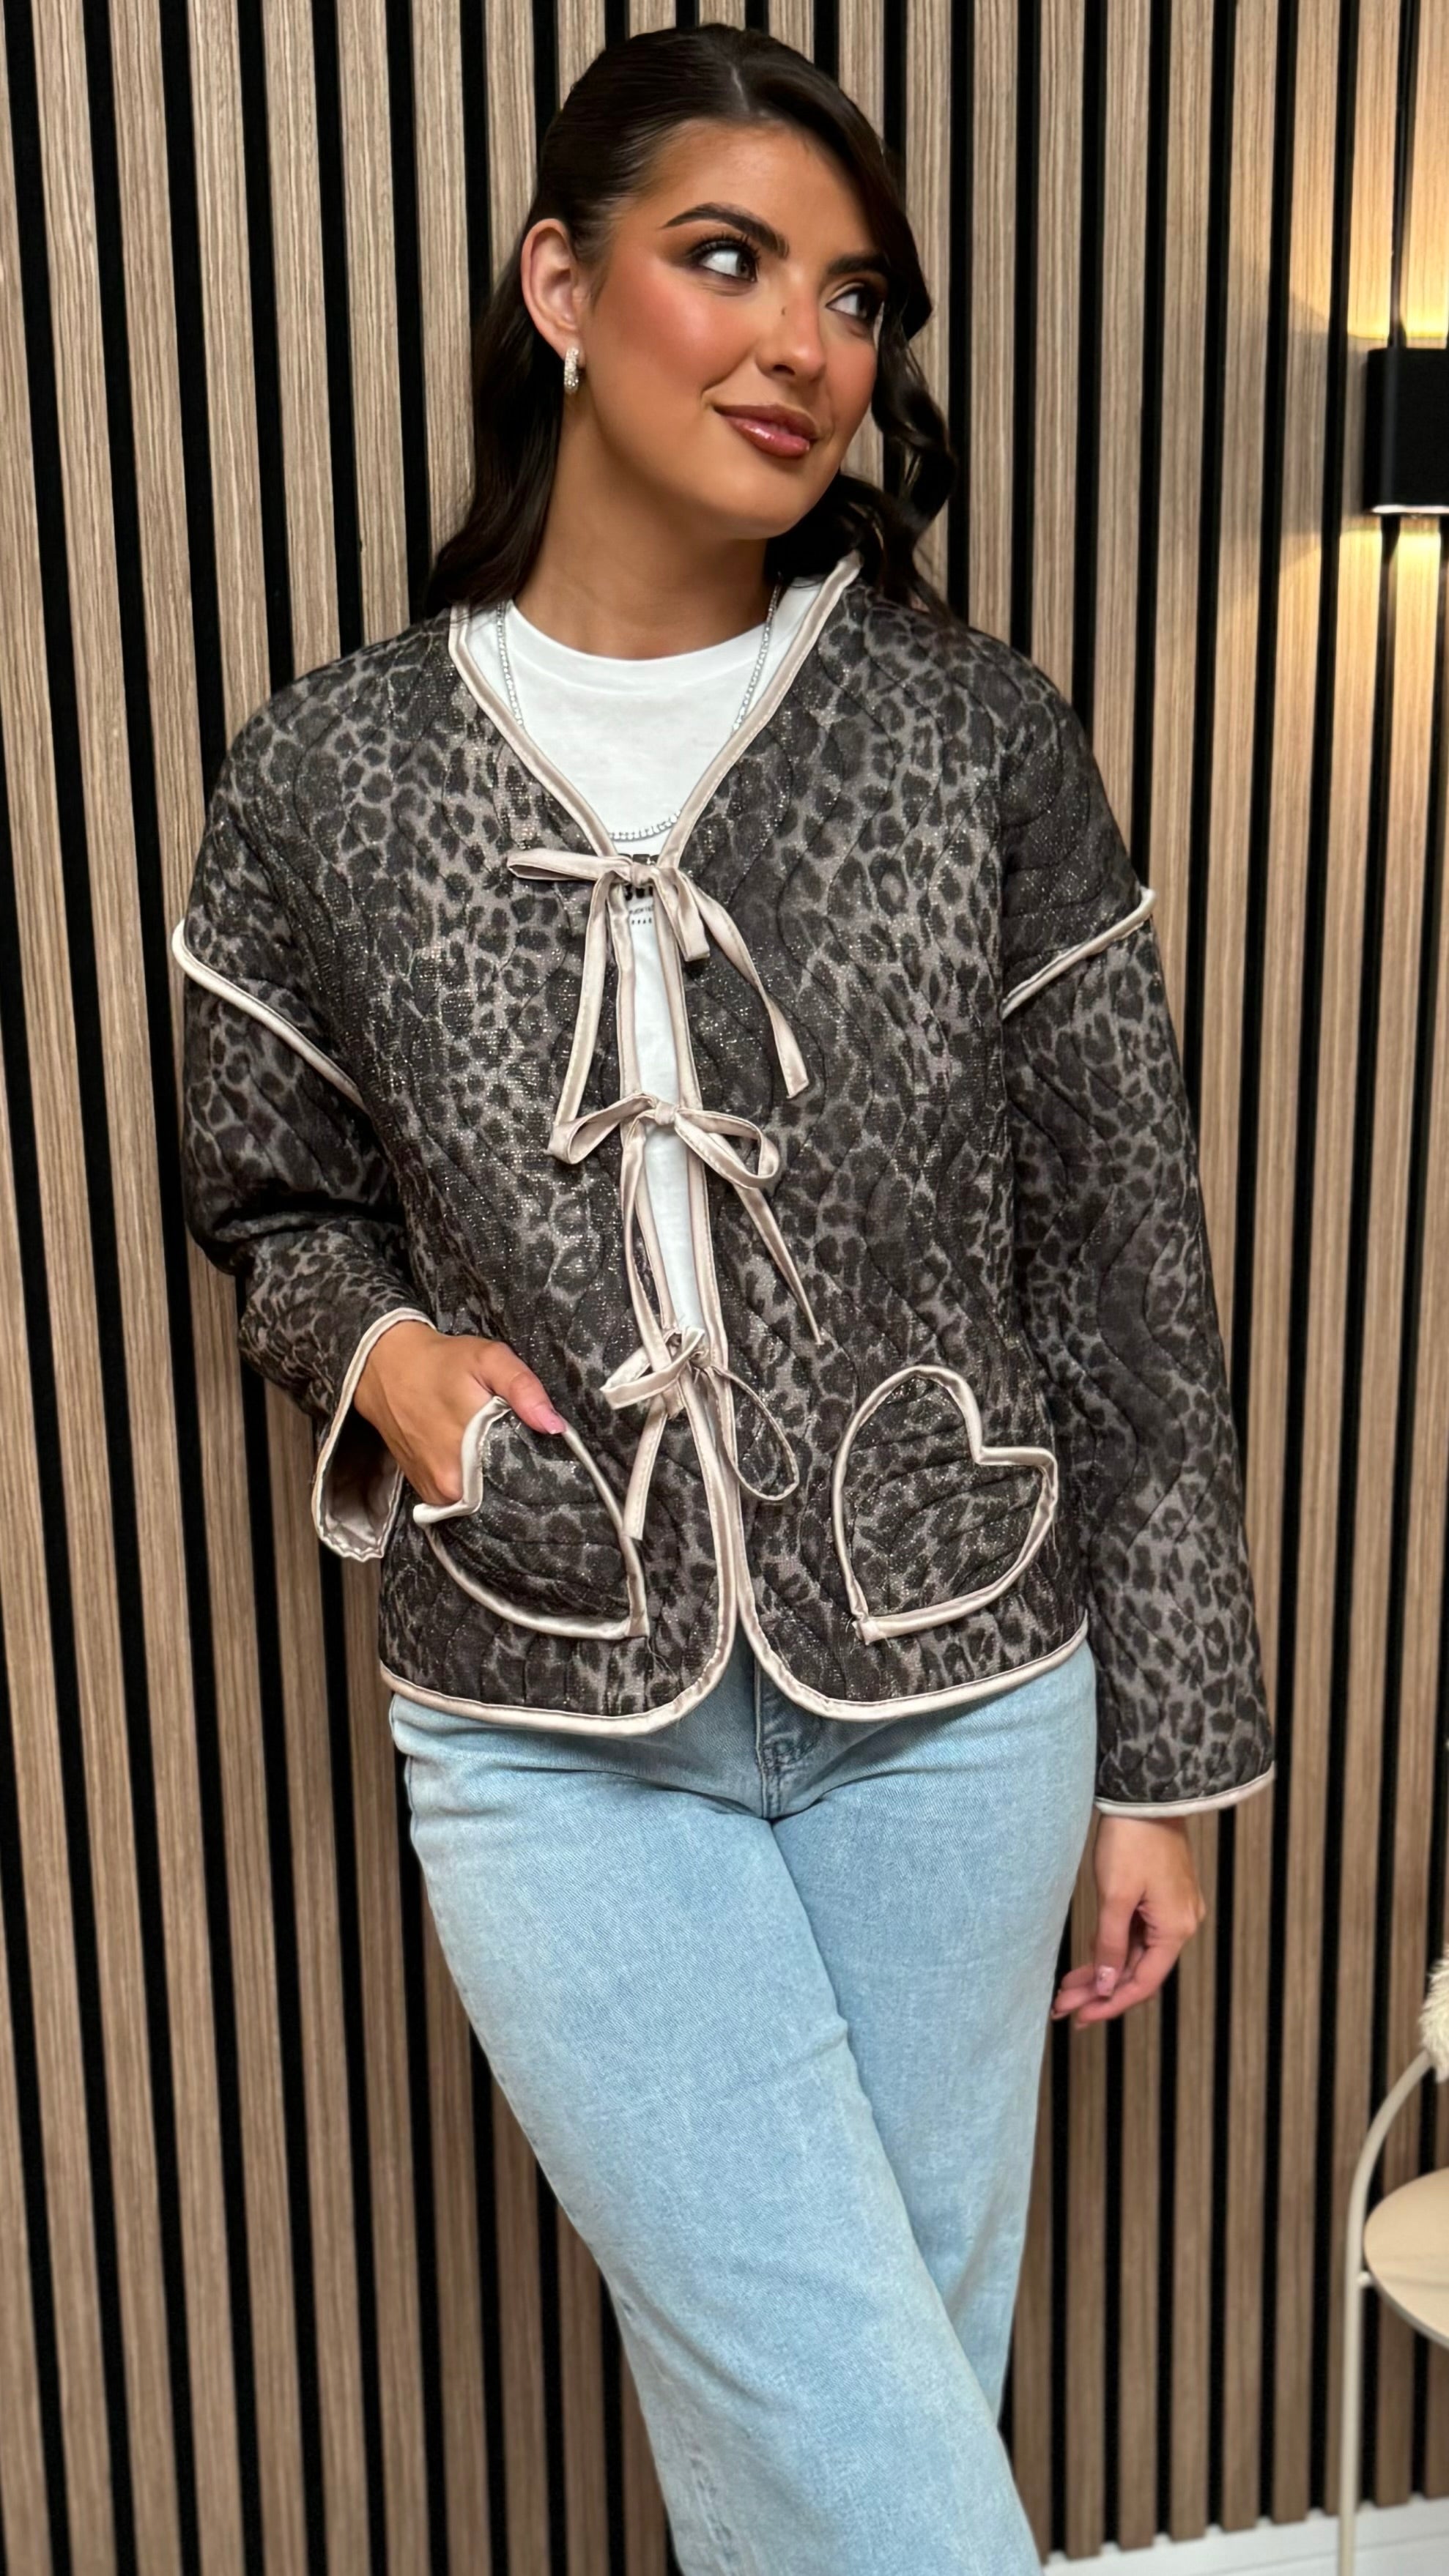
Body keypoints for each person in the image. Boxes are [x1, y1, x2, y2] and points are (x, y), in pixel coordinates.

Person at [173, 24, 1274, 2572]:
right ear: (559, 288)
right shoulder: (331, 775)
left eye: (853, 295)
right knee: (832, 2408)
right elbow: (264, 1197)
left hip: (961, 1694)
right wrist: (386, 1362)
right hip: (550, 1715)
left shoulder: (973, 739)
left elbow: (1124, 1261)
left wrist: (1164, 1761)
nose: (803, 344)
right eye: (726, 260)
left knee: (859, 2414)